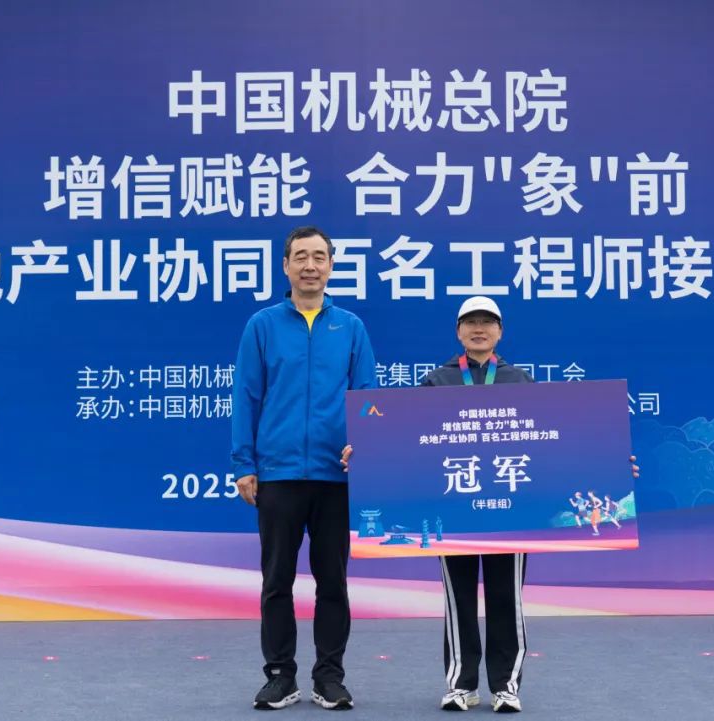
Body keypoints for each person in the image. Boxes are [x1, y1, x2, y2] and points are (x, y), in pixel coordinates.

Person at [420, 296, 639, 713]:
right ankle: (461, 685)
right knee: (458, 598)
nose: (479, 329)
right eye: (471, 322)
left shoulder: (520, 381)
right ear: (458, 331)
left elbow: (553, 446)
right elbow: (409, 441)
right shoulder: (436, 381)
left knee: (507, 597)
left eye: (487, 322)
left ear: (500, 332)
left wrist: (612, 464)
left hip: (511, 511)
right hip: (454, 510)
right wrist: (369, 457)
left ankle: (506, 685)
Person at [231, 226, 377, 711]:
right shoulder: (263, 325)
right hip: (279, 474)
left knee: (333, 582)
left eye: (319, 257)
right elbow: (246, 396)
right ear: (286, 266)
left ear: (331, 265)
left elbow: (367, 398)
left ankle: (329, 677)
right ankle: (280, 676)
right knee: (276, 582)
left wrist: (366, 448)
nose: (310, 265)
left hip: (336, 476)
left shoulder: (351, 327)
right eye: (301, 257)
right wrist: (244, 463)